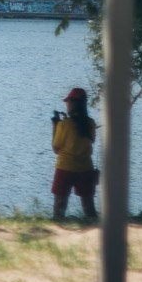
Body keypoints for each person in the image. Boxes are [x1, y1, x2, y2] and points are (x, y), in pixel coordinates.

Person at [51, 87, 98, 221]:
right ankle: (95, 227)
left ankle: (59, 226)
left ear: (73, 103)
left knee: (59, 208)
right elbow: (90, 140)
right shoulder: (91, 123)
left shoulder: (64, 125)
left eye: (68, 102)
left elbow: (55, 148)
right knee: (89, 208)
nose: (66, 104)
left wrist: (55, 127)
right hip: (85, 168)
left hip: (65, 168)